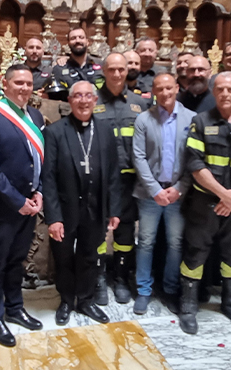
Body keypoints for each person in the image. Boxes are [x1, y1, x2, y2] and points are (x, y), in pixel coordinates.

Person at [179, 72, 231, 334]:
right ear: (214, 93)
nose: (225, 93)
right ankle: (188, 305)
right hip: (205, 204)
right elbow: (194, 163)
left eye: (230, 89)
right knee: (195, 253)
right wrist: (222, 194)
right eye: (220, 89)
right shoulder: (200, 122)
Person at [0, 64, 46, 347]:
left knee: (18, 261)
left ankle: (15, 308)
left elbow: (40, 160)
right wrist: (18, 202)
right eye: (18, 82)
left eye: (28, 83)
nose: (24, 88)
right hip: (4, 206)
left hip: (30, 203)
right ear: (4, 84)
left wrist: (38, 191)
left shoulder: (36, 115)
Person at [43, 81, 122, 326]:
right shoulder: (55, 132)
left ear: (95, 101)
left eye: (88, 96)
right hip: (66, 209)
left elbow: (113, 173)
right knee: (63, 257)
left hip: (95, 207)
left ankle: (86, 300)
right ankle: (67, 300)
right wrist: (53, 217)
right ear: (69, 100)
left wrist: (113, 209)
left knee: (90, 255)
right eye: (78, 96)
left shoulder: (106, 130)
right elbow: (48, 178)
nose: (83, 101)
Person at [131, 73, 196, 314]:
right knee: (146, 242)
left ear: (177, 88)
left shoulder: (192, 119)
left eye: (169, 88)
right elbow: (138, 157)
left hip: (178, 193)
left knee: (175, 243)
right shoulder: (143, 119)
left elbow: (196, 159)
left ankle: (169, 288)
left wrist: (179, 189)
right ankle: (143, 290)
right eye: (160, 89)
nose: (165, 93)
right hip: (150, 193)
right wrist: (155, 190)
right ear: (154, 92)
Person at [93, 53, 151, 306]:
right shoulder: (91, 100)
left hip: (129, 180)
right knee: (96, 233)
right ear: (104, 71)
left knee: (125, 235)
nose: (117, 74)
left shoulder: (140, 103)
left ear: (128, 71)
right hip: (100, 180)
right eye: (112, 69)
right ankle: (97, 280)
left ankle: (120, 278)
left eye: (121, 69)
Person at [49, 28, 104, 101]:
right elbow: (55, 97)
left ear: (87, 42)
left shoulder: (102, 65)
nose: (77, 41)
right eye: (73, 38)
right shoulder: (59, 69)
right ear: (68, 43)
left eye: (81, 37)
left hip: (99, 109)